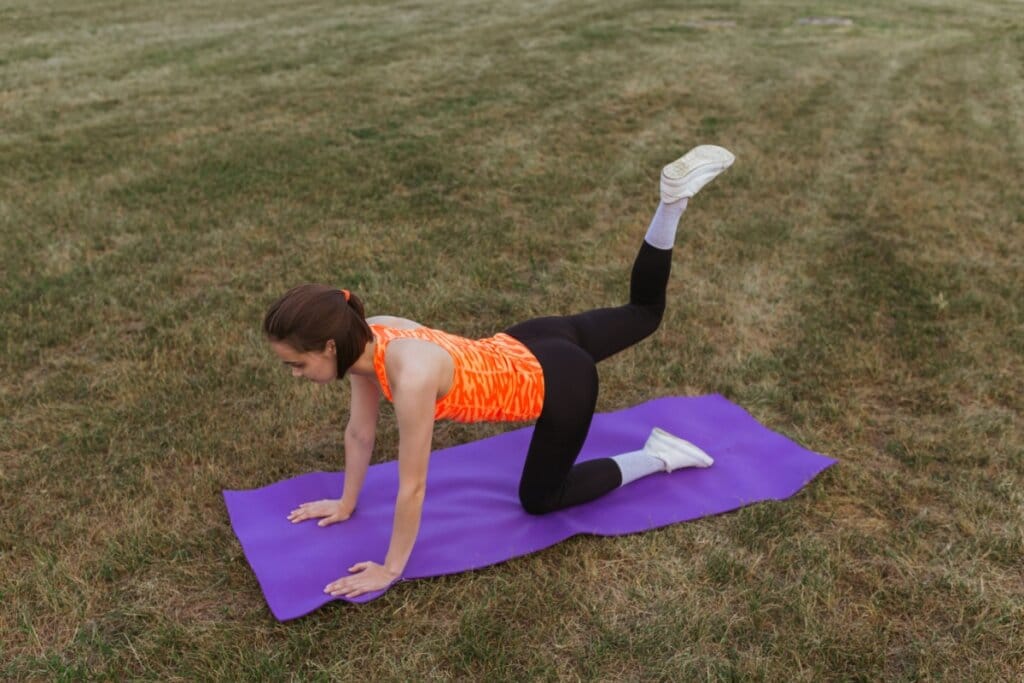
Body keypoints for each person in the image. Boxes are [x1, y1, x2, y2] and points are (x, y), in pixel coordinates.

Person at [263, 145, 735, 598]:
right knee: (644, 312)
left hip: (559, 380)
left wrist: (390, 569)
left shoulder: (411, 379)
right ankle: (671, 203)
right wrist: (346, 504)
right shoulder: (370, 333)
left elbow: (414, 486)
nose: (295, 374)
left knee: (541, 499)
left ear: (329, 346)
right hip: (530, 338)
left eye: (298, 364)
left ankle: (658, 456)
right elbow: (360, 433)